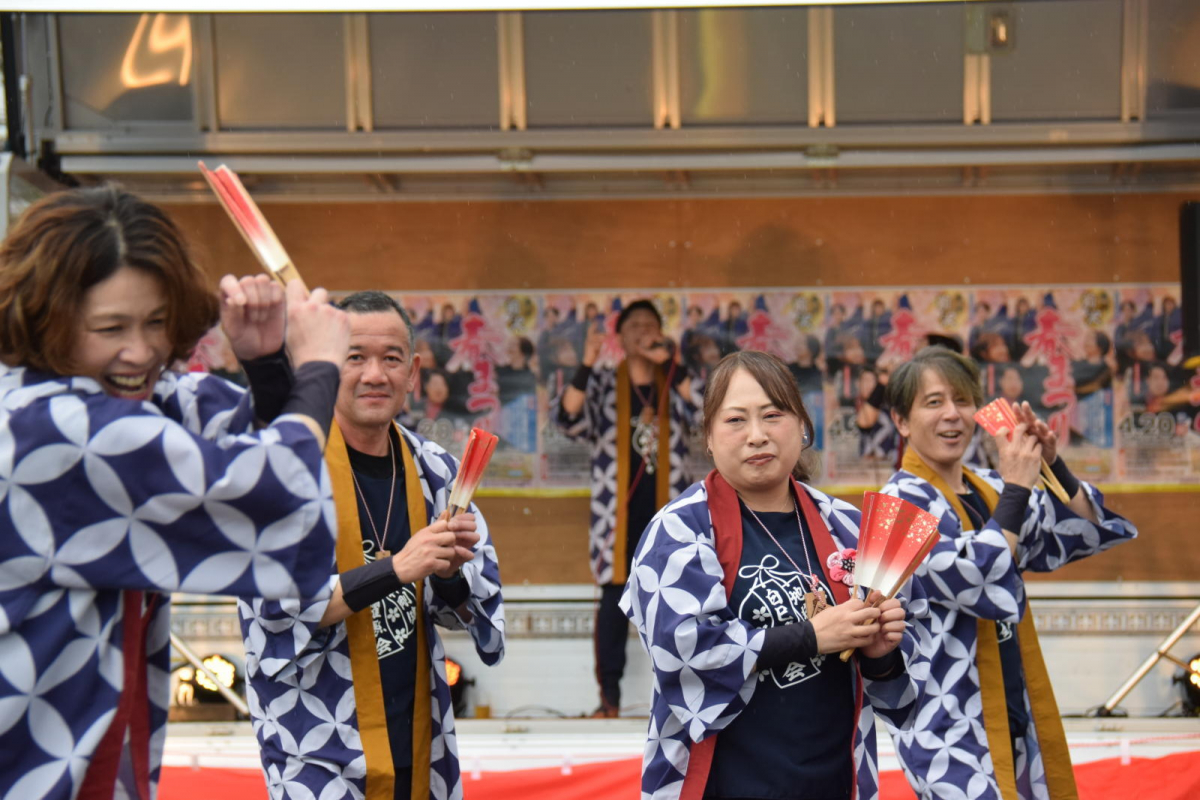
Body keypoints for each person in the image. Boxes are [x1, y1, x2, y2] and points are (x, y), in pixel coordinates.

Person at [0, 186, 350, 800]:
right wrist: (318, 365)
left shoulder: (46, 402)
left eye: (157, 322)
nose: (142, 352)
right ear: (44, 317)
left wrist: (266, 361)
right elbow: (277, 497)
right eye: (111, 328)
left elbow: (203, 419)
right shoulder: (57, 433)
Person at [621, 351, 926, 800]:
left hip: (834, 781)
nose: (757, 435)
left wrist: (879, 654)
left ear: (803, 425)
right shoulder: (678, 530)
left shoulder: (847, 525)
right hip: (725, 785)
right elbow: (680, 654)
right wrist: (811, 637)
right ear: (708, 436)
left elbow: (903, 694)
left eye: (772, 415)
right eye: (735, 421)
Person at [238, 291, 505, 800]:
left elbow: (479, 608)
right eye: (354, 357)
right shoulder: (288, 467)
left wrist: (448, 571)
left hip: (419, 738)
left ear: (414, 372)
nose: (374, 375)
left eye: (391, 359)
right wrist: (399, 567)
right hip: (316, 743)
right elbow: (279, 611)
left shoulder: (437, 471)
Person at [879, 346, 1137, 800]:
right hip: (946, 723)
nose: (953, 415)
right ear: (901, 421)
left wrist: (1051, 465)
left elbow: (1083, 529)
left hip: (1014, 705)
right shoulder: (893, 508)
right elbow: (976, 577)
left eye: (962, 400)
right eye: (934, 402)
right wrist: (1019, 487)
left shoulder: (992, 486)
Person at [555, 299, 701, 717]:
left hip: (668, 511)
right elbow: (568, 419)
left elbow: (708, 410)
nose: (642, 331)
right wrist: (586, 361)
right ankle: (609, 702)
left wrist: (672, 364)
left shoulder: (671, 380)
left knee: (676, 602)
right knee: (614, 601)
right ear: (619, 337)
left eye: (649, 324)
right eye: (633, 325)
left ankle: (681, 701)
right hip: (614, 514)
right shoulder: (603, 382)